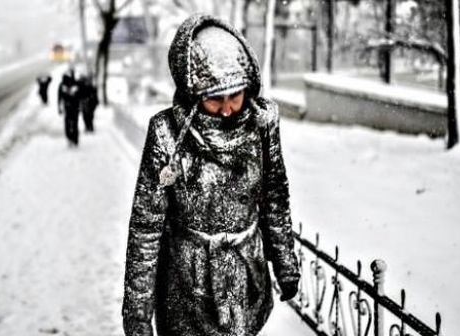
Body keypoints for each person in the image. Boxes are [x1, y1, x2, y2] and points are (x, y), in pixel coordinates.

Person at [122, 14, 300, 336]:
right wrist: (137, 314)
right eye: (215, 98)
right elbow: (146, 226)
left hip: (246, 281)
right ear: (192, 92)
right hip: (186, 291)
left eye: (235, 94)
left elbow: (274, 195)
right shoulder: (166, 134)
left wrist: (285, 262)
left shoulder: (261, 127)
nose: (228, 108)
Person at [58, 69, 80, 146]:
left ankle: (72, 138)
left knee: (70, 123)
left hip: (71, 107)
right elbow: (60, 97)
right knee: (73, 123)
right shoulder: (73, 84)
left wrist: (59, 107)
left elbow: (60, 97)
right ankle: (73, 138)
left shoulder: (64, 85)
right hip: (72, 107)